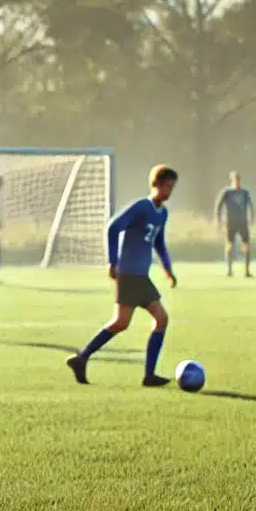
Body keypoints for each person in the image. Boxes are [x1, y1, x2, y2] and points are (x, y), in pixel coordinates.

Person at [67, 165, 178, 387]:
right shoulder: (141, 207)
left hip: (140, 277)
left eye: (172, 187)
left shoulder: (162, 213)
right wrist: (112, 261)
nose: (170, 191)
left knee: (127, 322)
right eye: (167, 186)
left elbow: (158, 243)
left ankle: (83, 358)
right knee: (140, 320)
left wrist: (168, 269)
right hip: (128, 274)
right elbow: (113, 227)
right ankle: (145, 374)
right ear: (156, 184)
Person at [215, 172, 255, 278]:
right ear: (231, 180)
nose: (237, 181)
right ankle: (229, 269)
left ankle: (247, 271)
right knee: (229, 245)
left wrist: (252, 218)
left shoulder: (244, 192)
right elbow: (219, 207)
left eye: (238, 179)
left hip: (242, 222)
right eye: (235, 179)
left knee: (246, 246)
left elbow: (250, 205)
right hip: (230, 223)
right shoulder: (227, 192)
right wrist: (218, 220)